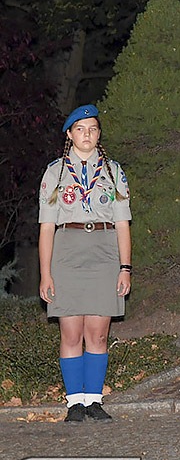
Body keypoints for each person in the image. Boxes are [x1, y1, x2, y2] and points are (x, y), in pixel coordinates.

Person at [38, 104, 132, 422]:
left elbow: (123, 224)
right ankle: (74, 402)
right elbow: (46, 228)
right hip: (66, 253)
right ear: (70, 134)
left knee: (98, 333)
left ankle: (94, 399)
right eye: (80, 129)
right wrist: (45, 274)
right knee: (70, 332)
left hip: (104, 252)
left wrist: (125, 268)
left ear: (99, 134)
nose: (87, 134)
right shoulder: (55, 173)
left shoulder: (113, 172)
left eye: (92, 129)